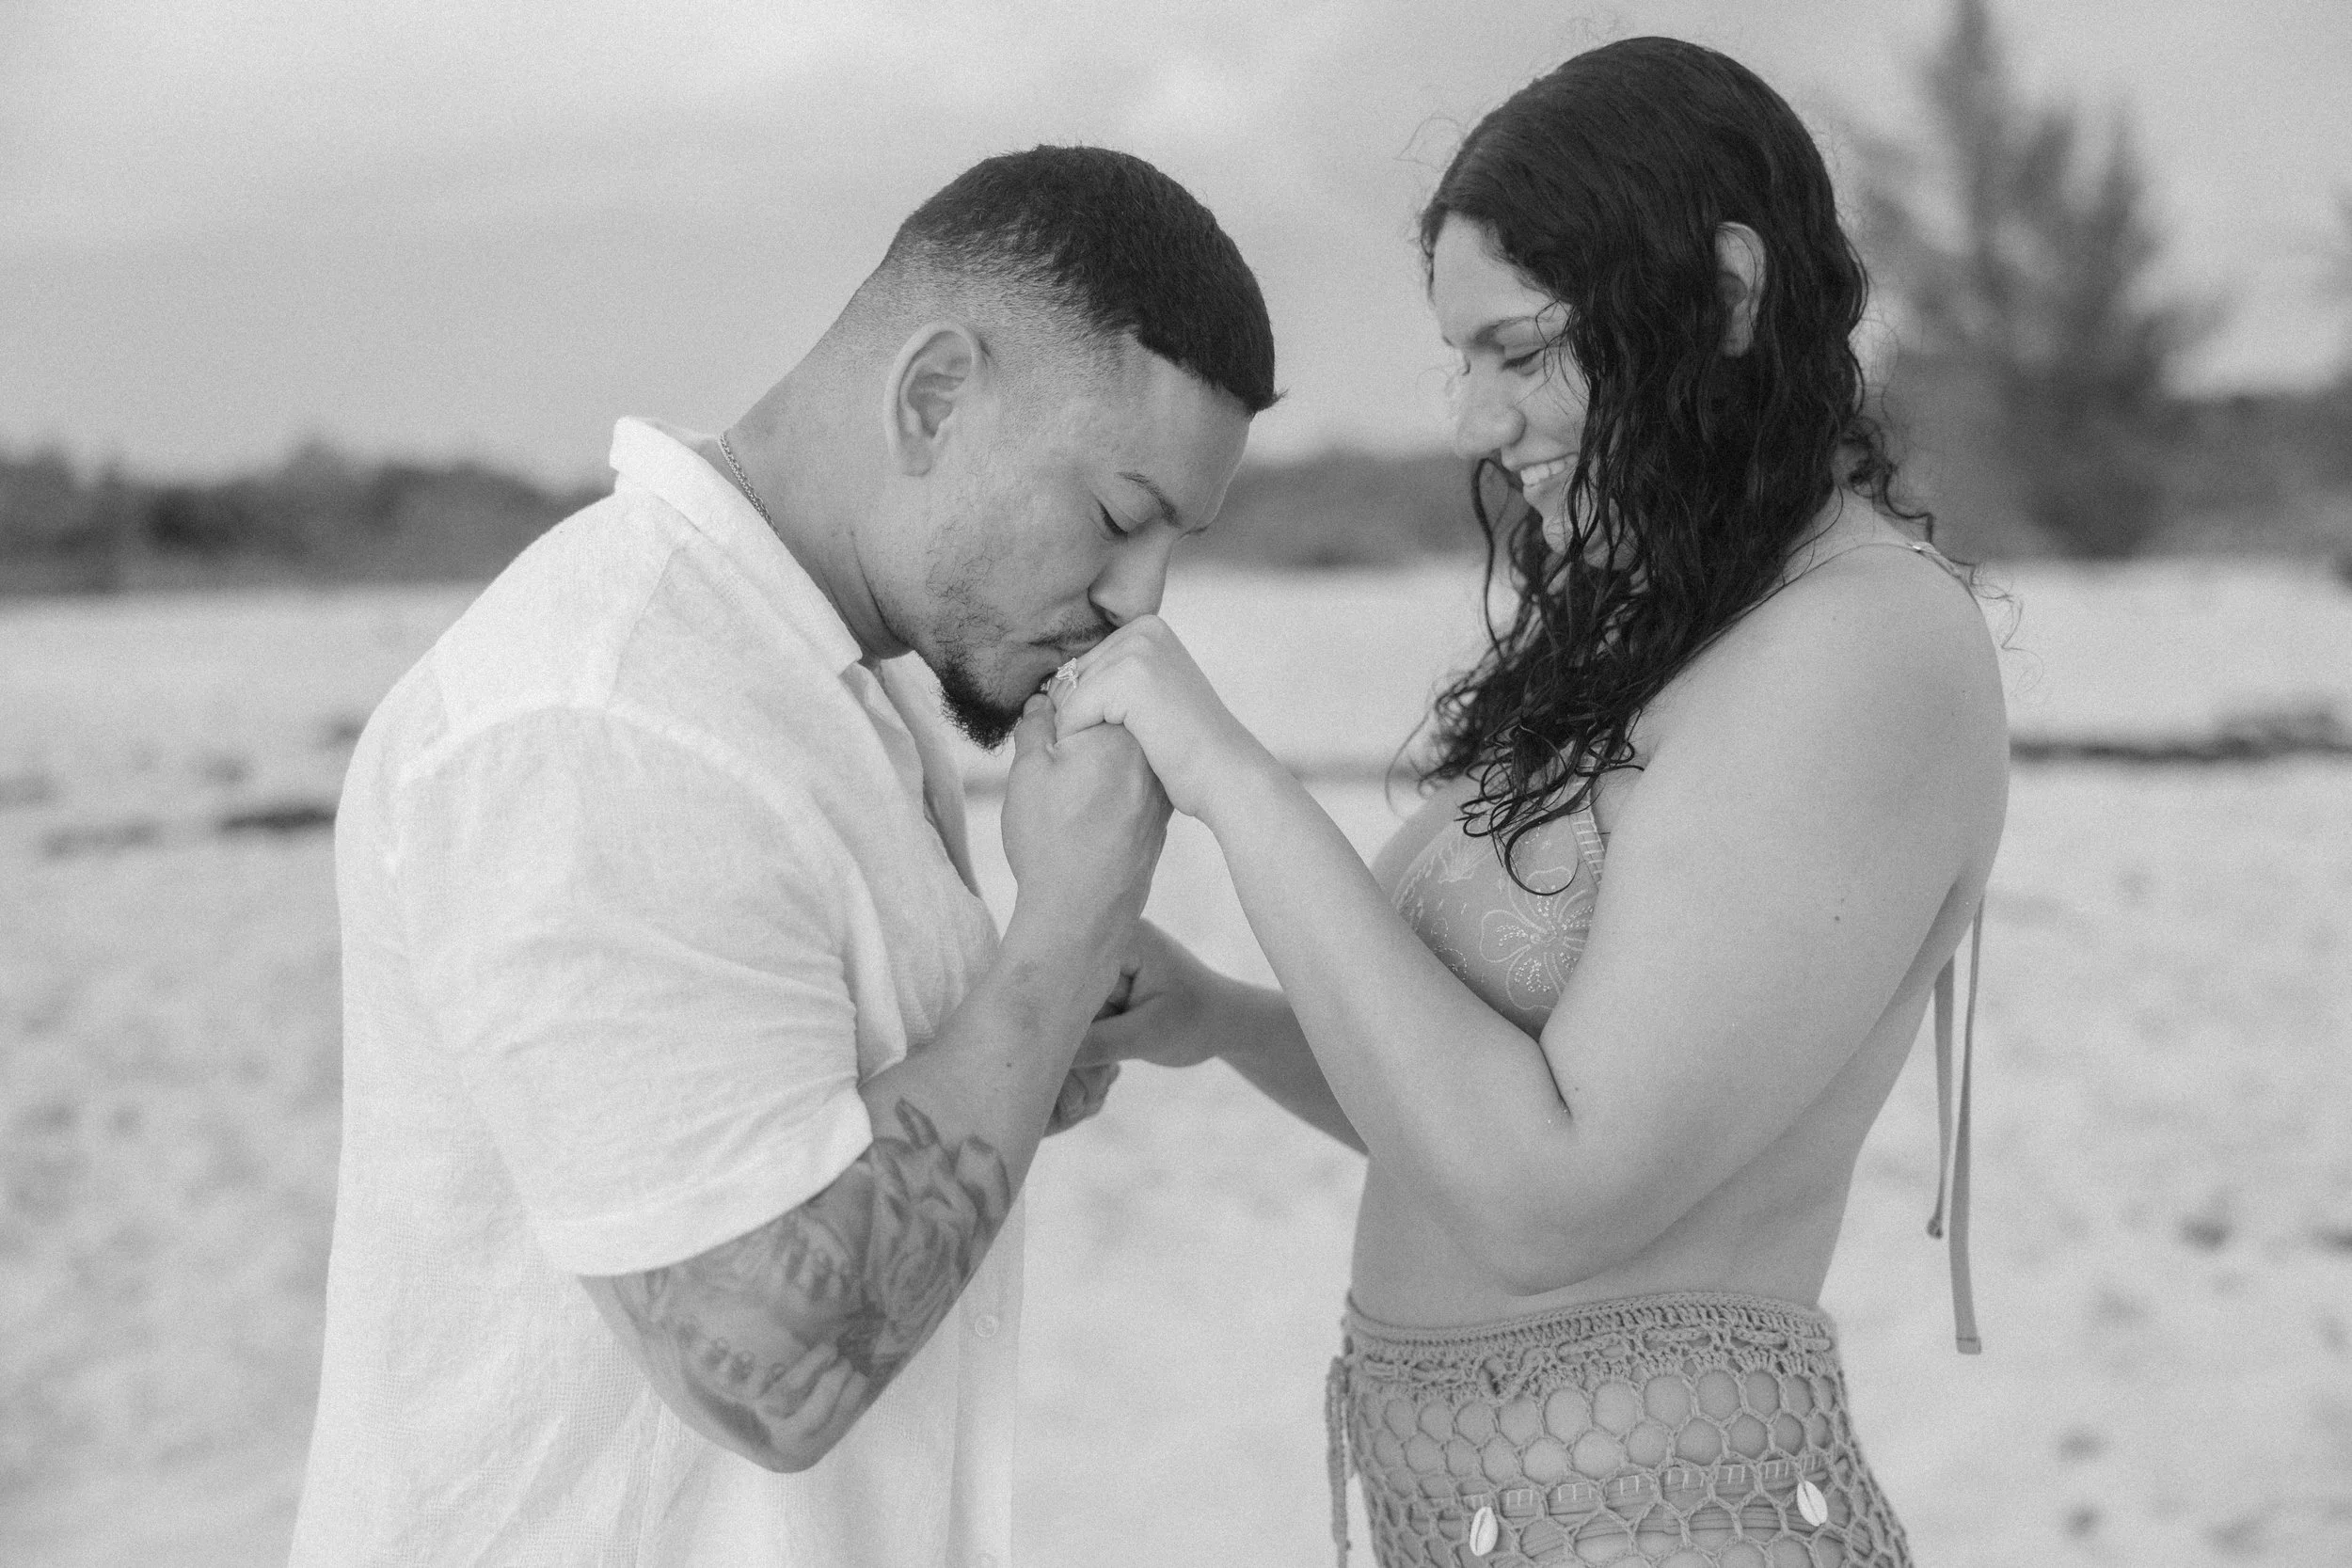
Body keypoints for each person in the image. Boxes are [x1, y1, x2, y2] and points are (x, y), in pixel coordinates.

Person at [1057, 39, 2006, 1568]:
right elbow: (1464, 1097)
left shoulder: (1863, 650)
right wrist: (1222, 1019)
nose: (1474, 421)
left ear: (1730, 296)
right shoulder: (1670, 618)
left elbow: (1553, 1195)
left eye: (1523, 350)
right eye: (1462, 360)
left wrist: (1232, 778)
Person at [288, 145, 1273, 1566]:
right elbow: (767, 1360)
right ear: (933, 396)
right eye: (1121, 518)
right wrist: (1062, 934)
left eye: (1177, 540)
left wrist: (1011, 1033)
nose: (1143, 599)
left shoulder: (810, 685)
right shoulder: (607, 713)